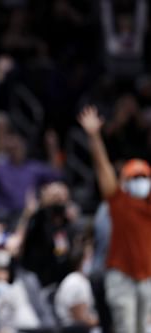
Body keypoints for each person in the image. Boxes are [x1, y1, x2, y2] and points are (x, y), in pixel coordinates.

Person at [78, 105, 151, 333]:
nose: (139, 180)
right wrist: (94, 136)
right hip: (121, 277)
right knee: (125, 329)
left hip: (147, 277)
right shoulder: (120, 202)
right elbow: (103, 167)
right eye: (134, 176)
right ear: (124, 181)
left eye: (143, 176)